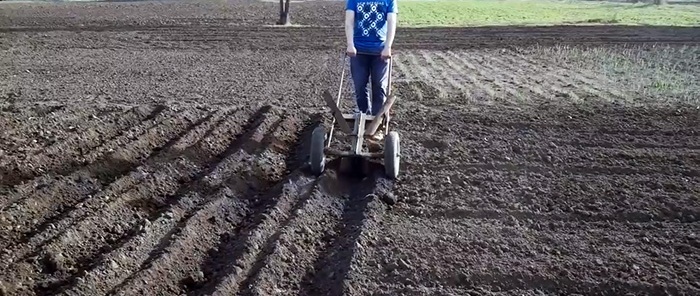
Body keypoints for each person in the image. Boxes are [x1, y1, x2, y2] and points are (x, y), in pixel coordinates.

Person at [345, 0, 397, 141]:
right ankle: (363, 118)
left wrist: (388, 46)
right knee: (360, 86)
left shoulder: (389, 1)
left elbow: (392, 22)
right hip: (358, 51)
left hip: (380, 52)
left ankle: (377, 126)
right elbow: (349, 21)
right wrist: (350, 44)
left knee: (379, 86)